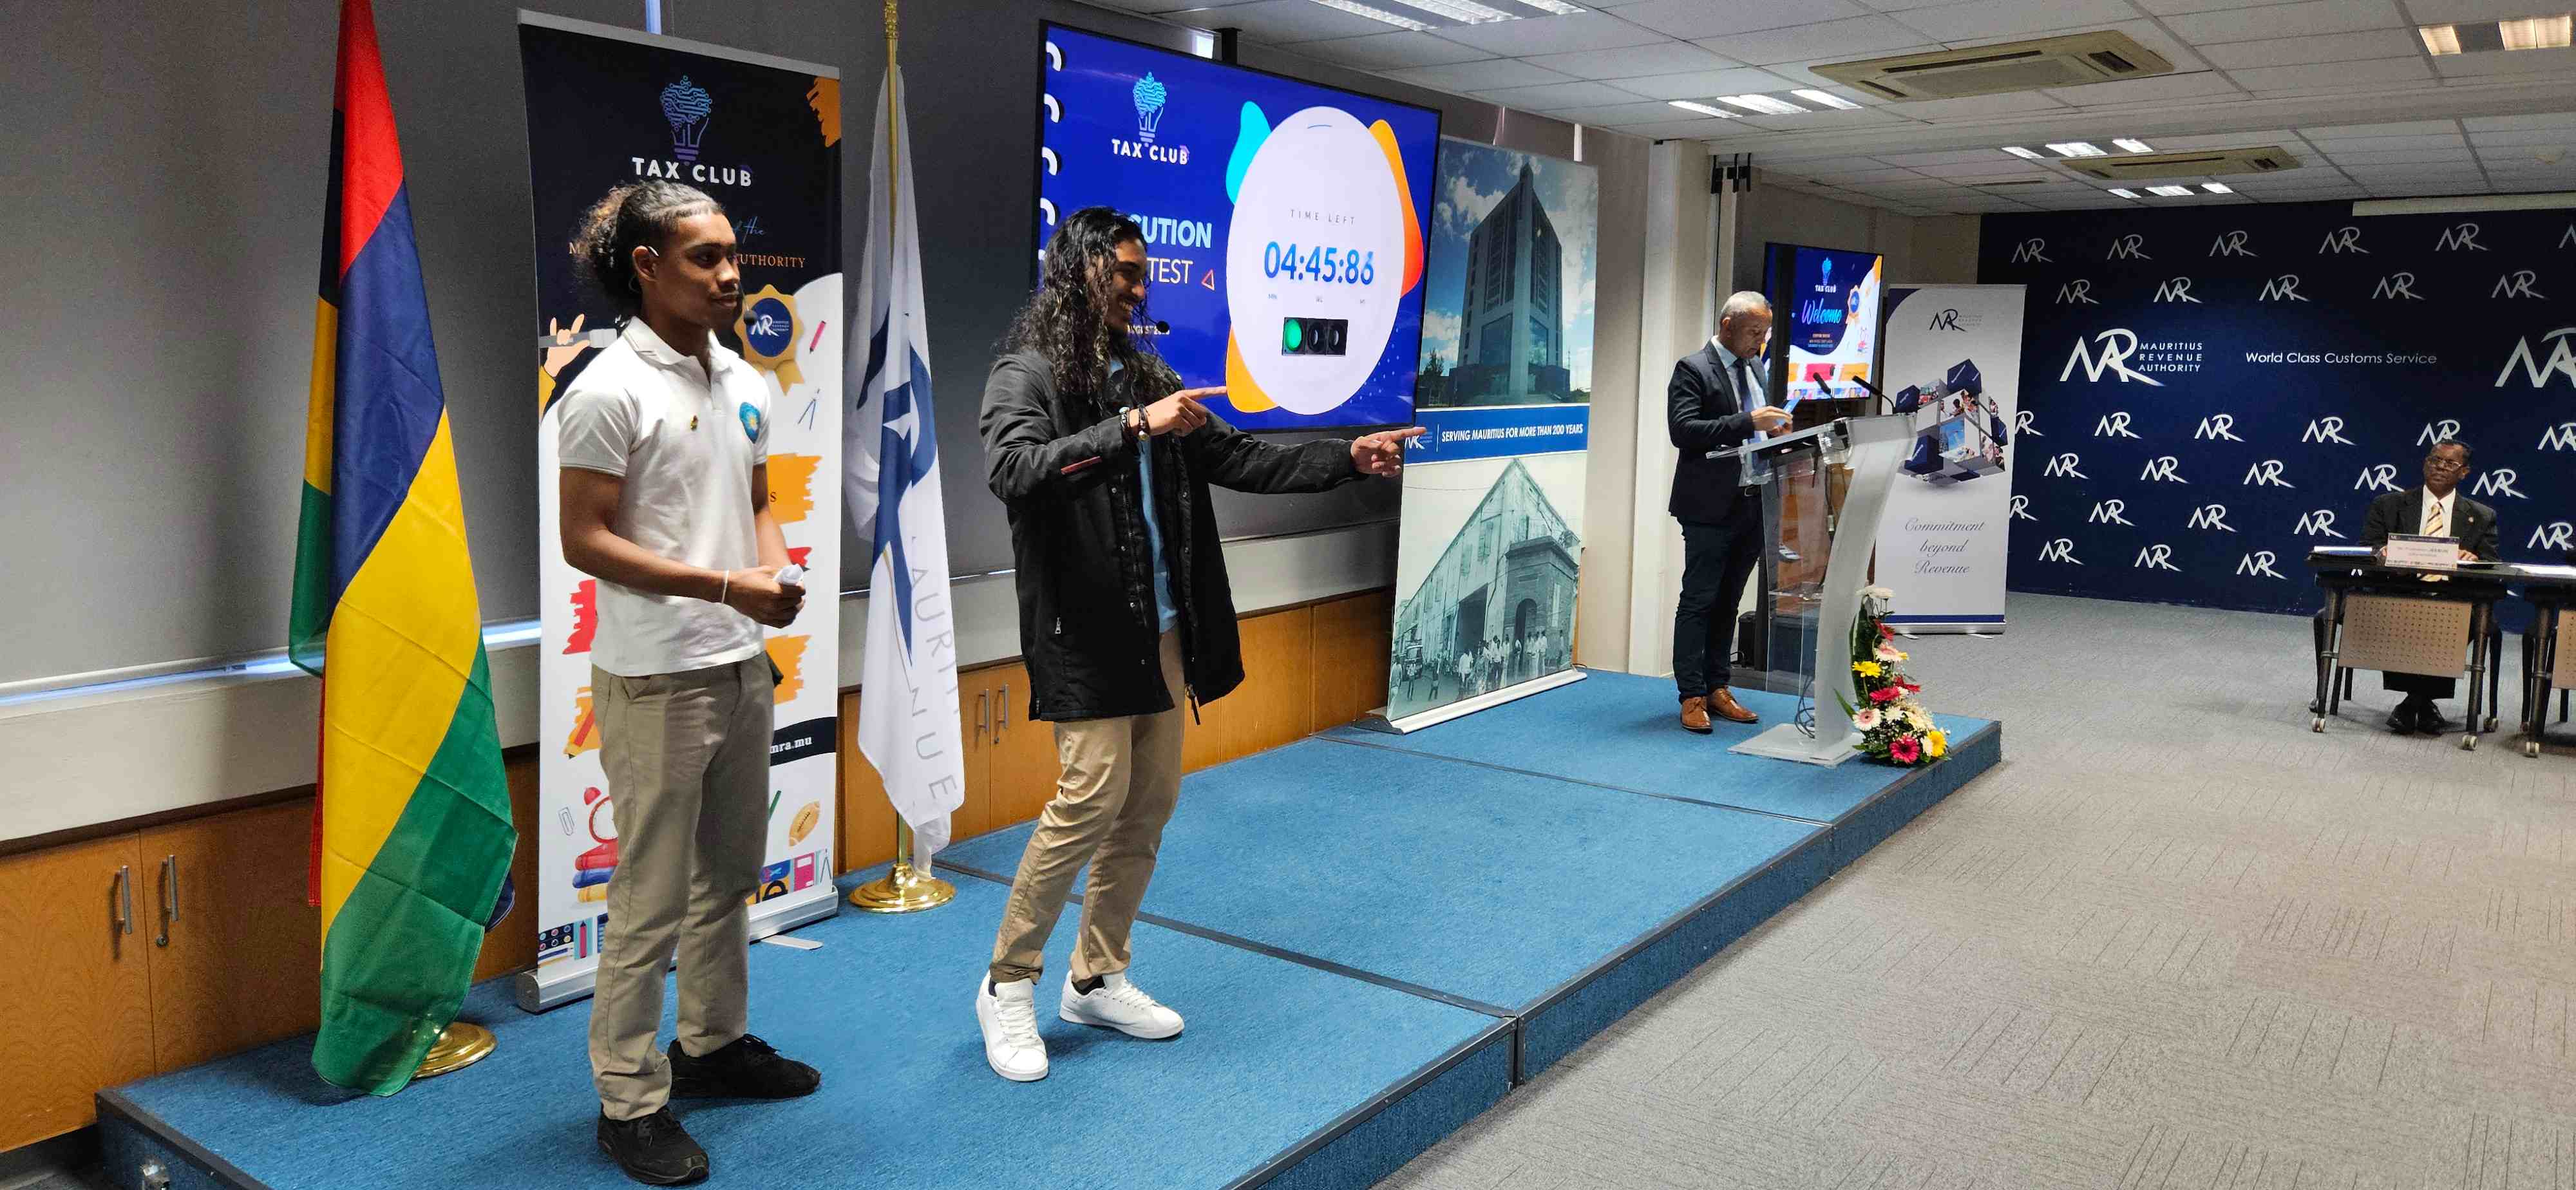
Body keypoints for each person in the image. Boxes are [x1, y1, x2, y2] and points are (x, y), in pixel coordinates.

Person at [975, 207, 1421, 1082]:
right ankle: (1007, 983)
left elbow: (1243, 459)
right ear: (1078, 273)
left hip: (1165, 630)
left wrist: (1348, 457)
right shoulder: (1026, 372)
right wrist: (1133, 427)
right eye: (1124, 273)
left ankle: (1095, 977)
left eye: (1143, 273)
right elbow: (1015, 472)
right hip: (1085, 632)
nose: (1139, 288)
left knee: (1147, 806)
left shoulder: (1147, 372)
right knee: (1088, 801)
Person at [554, 180, 820, 1187]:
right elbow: (584, 540)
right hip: (655, 678)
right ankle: (628, 1102)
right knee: (649, 903)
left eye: (732, 254)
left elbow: (756, 500)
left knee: (729, 879)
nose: (729, 273)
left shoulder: (745, 378)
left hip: (740, 665)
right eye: (705, 257)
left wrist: (772, 569)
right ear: (646, 268)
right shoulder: (608, 388)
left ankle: (711, 1045)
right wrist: (723, 585)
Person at [1667, 292, 1794, 733]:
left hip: (1753, 500)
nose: (1761, 341)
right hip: (1709, 505)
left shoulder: (1756, 367)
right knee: (1699, 600)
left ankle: (1718, 687)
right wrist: (1748, 422)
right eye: (1754, 332)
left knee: (1729, 602)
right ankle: (1692, 694)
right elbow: (1684, 430)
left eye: (1765, 333)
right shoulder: (1692, 368)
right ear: (1727, 325)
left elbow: (1756, 430)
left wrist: (1776, 432)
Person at [2360, 439, 2501, 734]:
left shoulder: (2482, 515)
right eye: (2435, 460)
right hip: (2401, 592)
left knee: (2457, 620)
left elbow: (2491, 563)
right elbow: (2368, 546)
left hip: (2453, 598)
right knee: (2405, 614)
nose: (2440, 467)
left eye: (2450, 463)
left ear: (2464, 472)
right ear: (2426, 464)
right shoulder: (2389, 505)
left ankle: (2412, 702)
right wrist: (2383, 553)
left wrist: (2473, 559)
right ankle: (2423, 704)